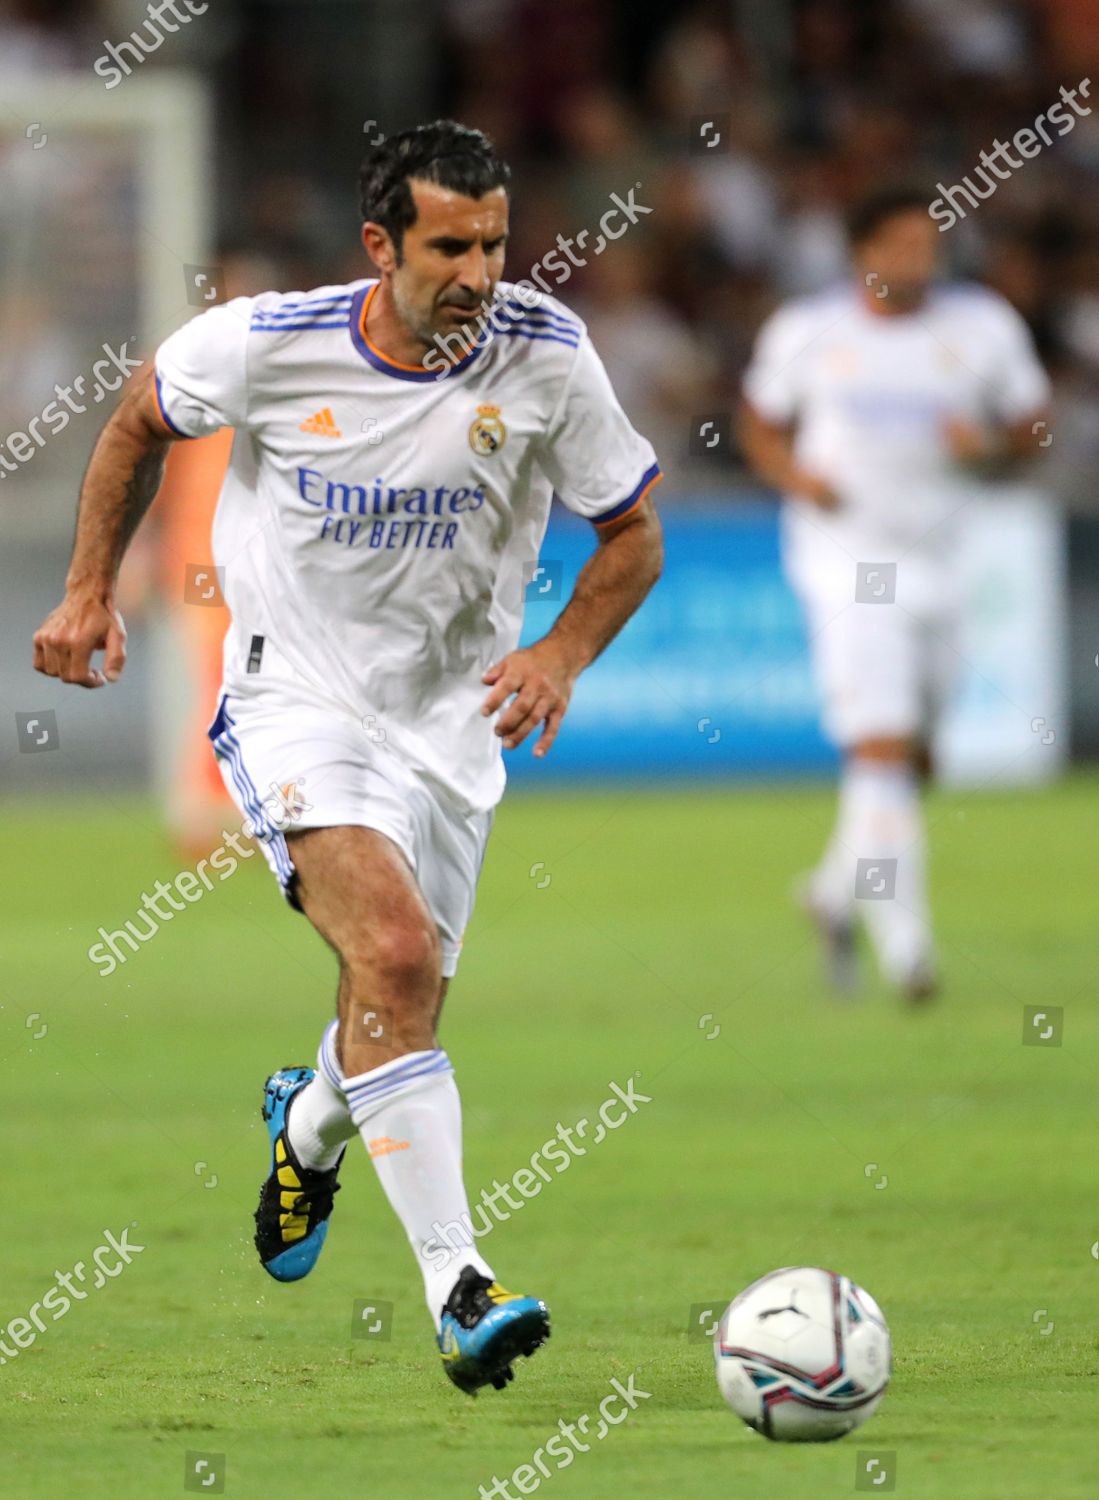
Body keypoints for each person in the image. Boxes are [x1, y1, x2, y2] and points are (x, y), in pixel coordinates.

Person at [32, 120, 664, 1394]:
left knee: (401, 1005)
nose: (479, 272)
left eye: (494, 243)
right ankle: (461, 1290)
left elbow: (632, 531)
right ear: (381, 245)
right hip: (294, 702)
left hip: (449, 730)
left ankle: (308, 1123)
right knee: (393, 955)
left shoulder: (546, 357)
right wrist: (89, 588)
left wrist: (558, 657)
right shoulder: (268, 343)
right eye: (449, 246)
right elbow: (133, 422)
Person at [740, 185, 1049, 1001]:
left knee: (913, 760)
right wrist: (797, 477)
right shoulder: (809, 332)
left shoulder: (979, 327)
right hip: (845, 562)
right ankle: (907, 948)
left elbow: (1033, 427)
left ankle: (833, 894)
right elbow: (757, 423)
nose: (919, 259)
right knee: (878, 745)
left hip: (942, 562)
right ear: (861, 253)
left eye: (928, 244)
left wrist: (984, 444)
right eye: (901, 244)